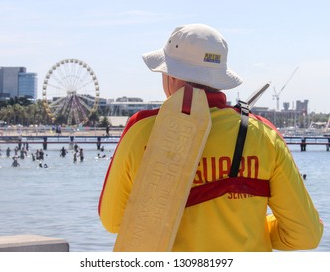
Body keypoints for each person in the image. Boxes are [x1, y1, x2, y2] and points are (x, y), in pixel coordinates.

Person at [98, 24, 323, 251]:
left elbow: (114, 220)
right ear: (218, 78)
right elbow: (305, 235)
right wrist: (254, 227)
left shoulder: (142, 131)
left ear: (172, 76)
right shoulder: (264, 136)